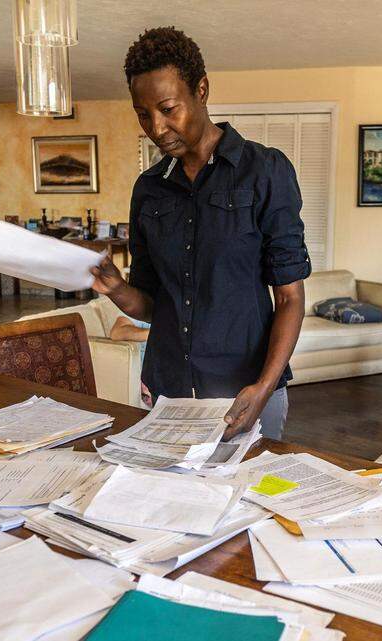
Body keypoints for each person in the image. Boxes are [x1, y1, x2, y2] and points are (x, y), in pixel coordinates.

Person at [90, 26, 310, 440]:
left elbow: (290, 297)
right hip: (168, 391)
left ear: (202, 90)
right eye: (143, 113)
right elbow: (155, 306)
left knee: (247, 501)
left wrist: (263, 389)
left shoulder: (264, 171)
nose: (156, 127)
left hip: (246, 390)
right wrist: (117, 289)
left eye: (168, 109)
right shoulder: (149, 189)